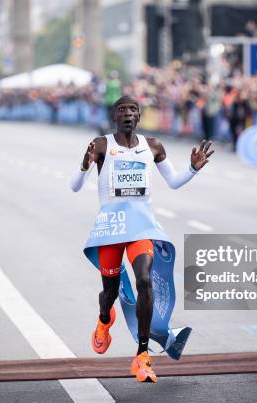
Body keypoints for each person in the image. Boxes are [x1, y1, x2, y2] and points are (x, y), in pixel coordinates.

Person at [70, 96, 213, 382]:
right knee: (109, 293)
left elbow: (173, 181)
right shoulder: (100, 145)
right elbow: (75, 187)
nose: (127, 114)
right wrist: (85, 165)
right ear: (114, 116)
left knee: (144, 280)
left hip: (141, 227)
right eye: (122, 110)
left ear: (139, 117)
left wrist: (193, 169)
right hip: (111, 227)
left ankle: (142, 355)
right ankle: (103, 319)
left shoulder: (153, 146)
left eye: (132, 110)